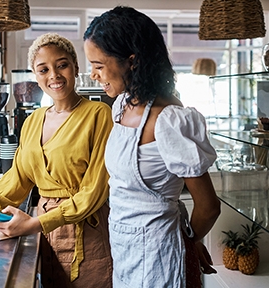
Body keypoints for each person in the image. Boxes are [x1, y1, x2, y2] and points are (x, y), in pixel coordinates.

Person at [0, 33, 114, 288]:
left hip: (87, 235)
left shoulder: (98, 114)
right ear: (35, 75)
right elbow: (15, 181)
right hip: (45, 237)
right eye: (43, 69)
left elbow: (94, 191)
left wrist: (35, 223)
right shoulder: (32, 122)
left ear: (75, 66)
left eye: (62, 65)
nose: (54, 75)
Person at [83, 6, 221, 287]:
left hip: (160, 253)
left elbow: (208, 206)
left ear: (131, 61)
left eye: (99, 66)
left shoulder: (168, 119)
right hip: (123, 247)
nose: (94, 75)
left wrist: (190, 241)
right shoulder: (121, 106)